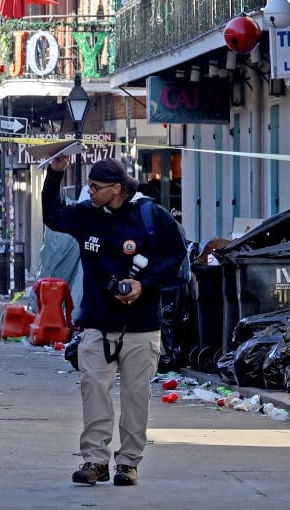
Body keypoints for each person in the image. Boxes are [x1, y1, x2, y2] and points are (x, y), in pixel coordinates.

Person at [42, 156, 185, 487]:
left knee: (136, 396)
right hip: (97, 323)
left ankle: (128, 462)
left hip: (141, 325)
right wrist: (55, 173)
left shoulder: (150, 216)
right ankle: (95, 460)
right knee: (94, 390)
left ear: (117, 188)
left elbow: (176, 256)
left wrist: (143, 284)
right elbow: (52, 216)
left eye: (96, 187)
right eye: (89, 185)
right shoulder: (86, 215)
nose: (90, 192)